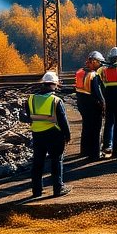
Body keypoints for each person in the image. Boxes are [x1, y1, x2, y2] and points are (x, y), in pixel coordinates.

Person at [19, 70, 71, 198]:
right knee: (56, 161)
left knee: (38, 163)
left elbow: (26, 117)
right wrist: (67, 135)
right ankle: (58, 188)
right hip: (54, 135)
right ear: (54, 85)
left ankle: (36, 191)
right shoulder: (56, 101)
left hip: (37, 135)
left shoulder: (31, 99)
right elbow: (63, 121)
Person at [73, 51, 106, 160]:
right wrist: (103, 104)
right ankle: (95, 154)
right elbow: (98, 92)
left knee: (86, 127)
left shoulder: (79, 72)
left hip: (82, 103)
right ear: (94, 62)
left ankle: (84, 151)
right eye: (99, 63)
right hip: (93, 104)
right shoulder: (93, 75)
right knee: (96, 129)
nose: (100, 65)